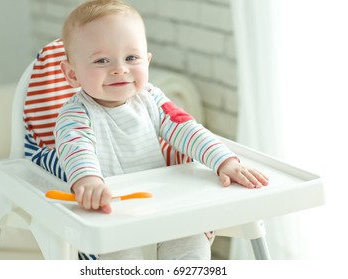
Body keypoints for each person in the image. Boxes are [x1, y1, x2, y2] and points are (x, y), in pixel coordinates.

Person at [55, 0, 268, 260]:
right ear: (72, 74)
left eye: (131, 57)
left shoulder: (151, 99)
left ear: (147, 60)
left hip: (165, 204)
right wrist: (88, 182)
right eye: (101, 60)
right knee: (121, 257)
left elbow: (187, 130)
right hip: (113, 211)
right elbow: (76, 148)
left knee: (191, 245)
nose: (120, 68)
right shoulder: (75, 114)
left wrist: (224, 161)